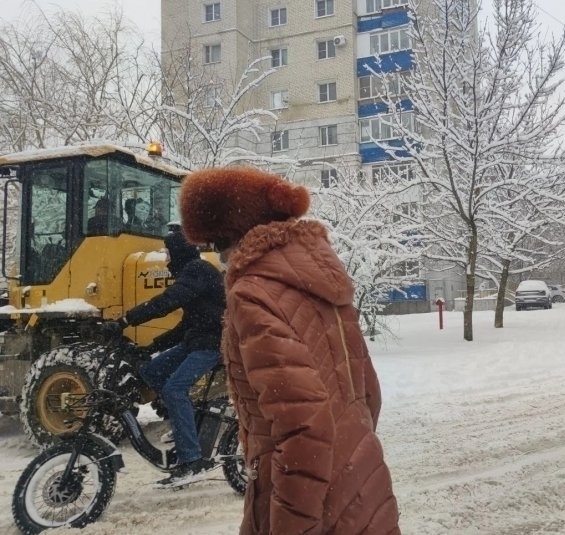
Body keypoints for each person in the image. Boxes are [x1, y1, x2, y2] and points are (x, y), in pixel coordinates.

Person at [179, 167, 400, 535]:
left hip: (307, 502)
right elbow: (368, 393)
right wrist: (350, 454)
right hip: (362, 478)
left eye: (215, 245)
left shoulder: (252, 293)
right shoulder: (323, 281)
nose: (218, 259)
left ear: (234, 235)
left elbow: (302, 430)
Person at [102, 227, 225, 487]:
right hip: (196, 341)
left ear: (179, 251)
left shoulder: (197, 270)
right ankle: (186, 424)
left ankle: (192, 460)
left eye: (168, 253)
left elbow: (167, 302)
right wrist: (150, 348)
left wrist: (126, 320)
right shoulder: (192, 273)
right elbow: (185, 326)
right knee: (152, 371)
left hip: (214, 344)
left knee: (174, 389)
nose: (166, 258)